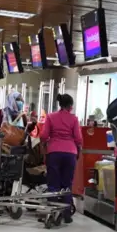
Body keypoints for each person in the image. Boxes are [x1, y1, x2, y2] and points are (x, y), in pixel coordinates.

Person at [39, 94, 82, 224]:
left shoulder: (51, 117)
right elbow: (78, 138)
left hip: (54, 153)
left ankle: (53, 213)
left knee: (53, 184)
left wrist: (44, 144)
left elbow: (44, 135)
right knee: (67, 184)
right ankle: (66, 214)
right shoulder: (74, 119)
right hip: (70, 154)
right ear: (70, 106)